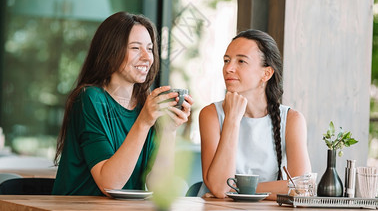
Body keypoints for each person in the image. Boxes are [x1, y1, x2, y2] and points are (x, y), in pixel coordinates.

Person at [52, 11, 193, 196]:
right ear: (110, 52)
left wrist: (169, 130)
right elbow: (110, 184)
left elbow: (158, 186)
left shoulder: (145, 105)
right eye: (135, 48)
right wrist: (143, 122)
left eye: (150, 49)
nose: (146, 57)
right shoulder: (90, 99)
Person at [198, 29, 311, 200]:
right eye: (226, 60)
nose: (229, 68)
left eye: (241, 61)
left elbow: (303, 187)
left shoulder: (292, 120)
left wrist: (238, 190)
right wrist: (232, 120)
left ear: (266, 73)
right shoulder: (211, 114)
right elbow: (220, 188)